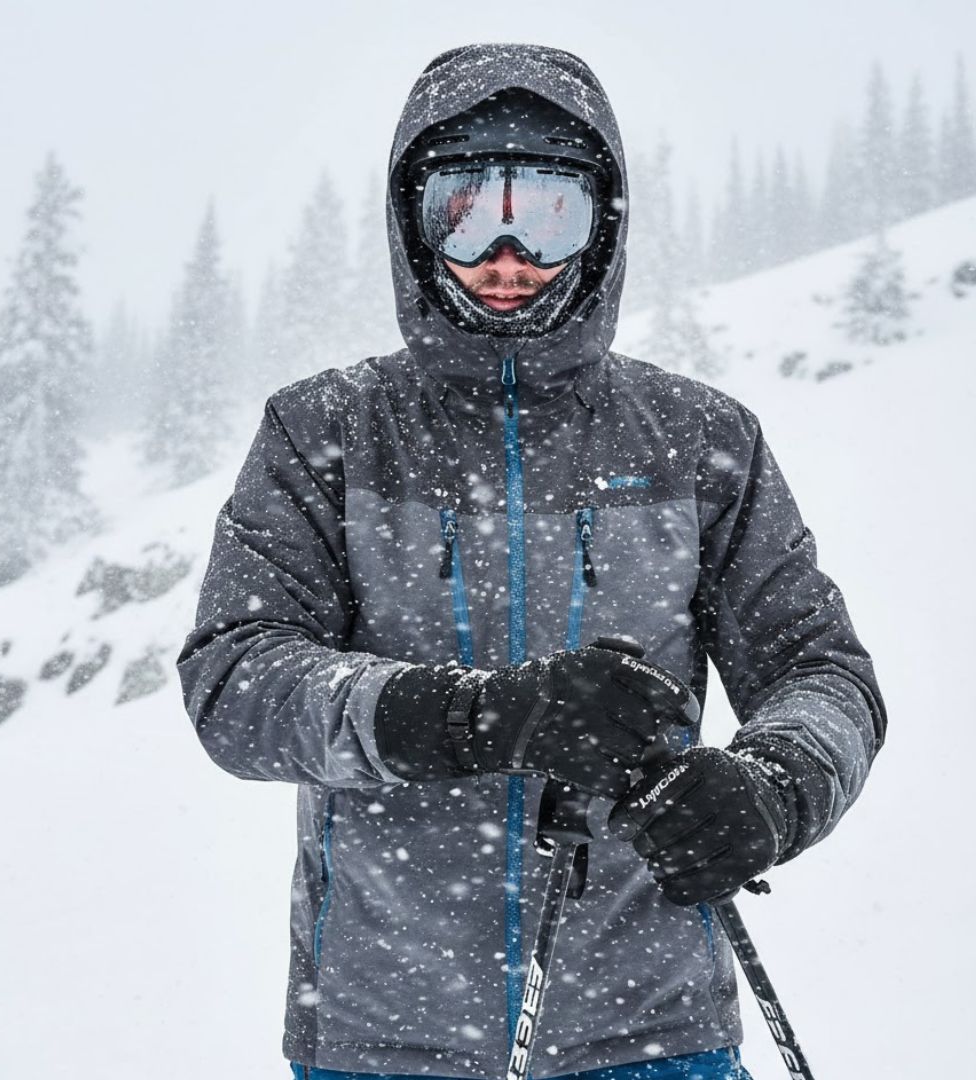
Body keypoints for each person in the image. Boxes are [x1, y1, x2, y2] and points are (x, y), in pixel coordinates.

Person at [177, 43, 886, 1080]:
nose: (507, 257)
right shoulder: (325, 432)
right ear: (412, 223)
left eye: (550, 215)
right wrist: (473, 716)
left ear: (604, 226)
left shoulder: (697, 440)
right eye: (465, 214)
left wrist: (771, 786)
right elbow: (235, 683)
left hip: (656, 1030)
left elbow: (822, 673)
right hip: (388, 1036)